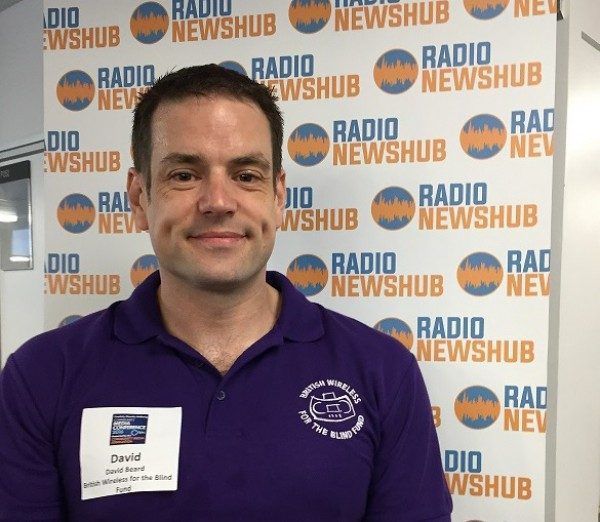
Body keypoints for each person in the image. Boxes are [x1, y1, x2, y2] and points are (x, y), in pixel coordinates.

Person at [0, 64, 452, 521]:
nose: (218, 201)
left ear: (277, 198)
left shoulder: (382, 371)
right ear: (139, 198)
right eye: (184, 174)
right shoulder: (41, 375)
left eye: (247, 175)